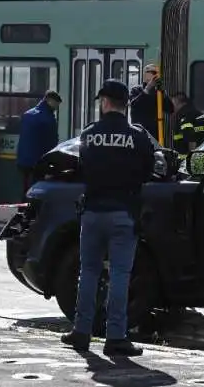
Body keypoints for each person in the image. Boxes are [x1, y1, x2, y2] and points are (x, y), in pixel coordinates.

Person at [60, 79, 155, 357]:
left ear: (104, 102)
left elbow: (82, 167)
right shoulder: (137, 136)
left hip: (92, 213)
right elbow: (148, 170)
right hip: (123, 213)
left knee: (88, 272)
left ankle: (81, 332)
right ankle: (115, 337)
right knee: (119, 275)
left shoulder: (89, 134)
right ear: (125, 105)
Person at [16, 90, 61, 194]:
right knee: (36, 189)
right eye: (56, 105)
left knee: (26, 187)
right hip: (37, 161)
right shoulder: (48, 119)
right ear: (49, 101)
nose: (56, 108)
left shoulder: (27, 114)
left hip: (23, 160)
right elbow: (51, 142)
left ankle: (23, 208)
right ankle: (32, 208)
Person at [129, 63, 173, 140]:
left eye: (157, 73)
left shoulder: (158, 92)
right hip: (139, 131)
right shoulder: (136, 90)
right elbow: (135, 105)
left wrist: (163, 93)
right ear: (145, 74)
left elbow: (170, 109)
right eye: (153, 73)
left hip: (156, 133)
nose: (156, 75)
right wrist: (148, 88)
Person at [169, 91, 204, 160]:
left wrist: (191, 159)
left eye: (172, 104)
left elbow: (191, 138)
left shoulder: (185, 116)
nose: (172, 107)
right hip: (202, 155)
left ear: (178, 103)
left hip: (187, 159)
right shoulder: (197, 113)